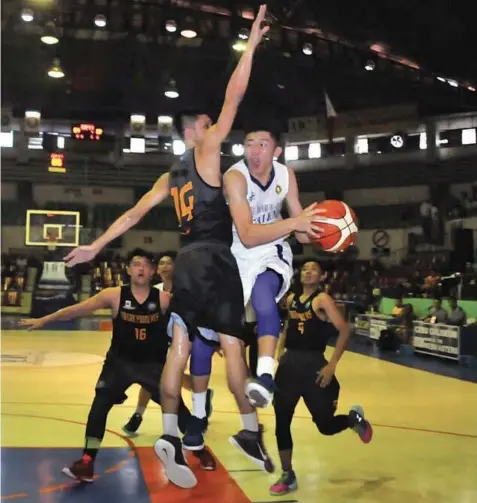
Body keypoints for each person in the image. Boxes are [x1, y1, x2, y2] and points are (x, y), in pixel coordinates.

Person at [63, 6, 319, 488]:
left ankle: (170, 431)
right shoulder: (206, 152)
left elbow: (133, 215)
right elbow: (235, 95)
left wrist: (95, 246)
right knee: (231, 345)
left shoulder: (167, 175)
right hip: (215, 258)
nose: (214, 128)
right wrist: (252, 43)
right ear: (195, 131)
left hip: (183, 263)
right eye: (206, 123)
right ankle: (248, 426)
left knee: (179, 347)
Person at [18, 249, 195, 481]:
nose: (140, 268)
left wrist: (213, 342)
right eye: (136, 264)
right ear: (129, 270)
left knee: (179, 411)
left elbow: (188, 322)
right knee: (98, 408)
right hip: (119, 364)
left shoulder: (163, 299)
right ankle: (87, 462)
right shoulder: (114, 295)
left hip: (152, 365)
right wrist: (44, 320)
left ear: (152, 272)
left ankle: (198, 449)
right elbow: (77, 309)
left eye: (145, 265)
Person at [224, 124, 321, 408]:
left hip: (272, 249)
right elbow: (247, 234)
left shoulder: (285, 174)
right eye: (249, 143)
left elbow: (301, 231)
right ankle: (199, 409)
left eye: (262, 144)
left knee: (263, 296)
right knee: (207, 337)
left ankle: (265, 376)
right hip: (238, 253)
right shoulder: (235, 177)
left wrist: (321, 230)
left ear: (276, 150)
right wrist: (295, 224)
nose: (254, 151)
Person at [269, 260, 373, 496]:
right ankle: (287, 474)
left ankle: (352, 419)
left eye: (314, 269)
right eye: (305, 268)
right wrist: (280, 349)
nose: (308, 271)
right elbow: (288, 325)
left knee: (325, 426)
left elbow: (344, 330)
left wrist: (332, 366)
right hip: (289, 366)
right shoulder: (291, 299)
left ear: (323, 276)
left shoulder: (322, 299)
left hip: (314, 364)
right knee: (281, 420)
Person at [122, 251, 215, 441]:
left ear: (176, 267)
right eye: (161, 263)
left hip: (183, 339)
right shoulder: (154, 289)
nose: (164, 266)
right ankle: (139, 415)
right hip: (158, 340)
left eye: (168, 263)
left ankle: (139, 415)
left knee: (160, 376)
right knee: (157, 375)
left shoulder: (185, 290)